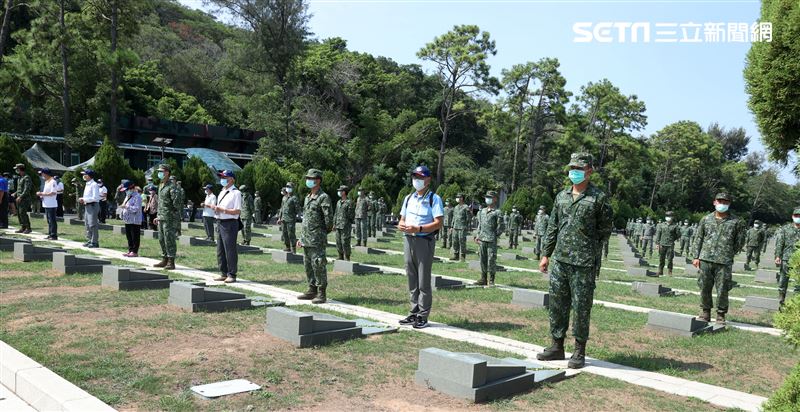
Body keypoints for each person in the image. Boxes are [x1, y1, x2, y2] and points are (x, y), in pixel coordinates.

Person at [537, 152, 612, 369]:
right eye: (572, 168)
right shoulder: (561, 196)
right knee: (558, 304)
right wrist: (545, 255)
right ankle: (556, 346)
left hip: (584, 263)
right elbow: (553, 227)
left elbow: (604, 230)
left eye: (579, 169)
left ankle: (579, 350)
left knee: (581, 307)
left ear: (589, 171)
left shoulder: (598, 198)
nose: (574, 172)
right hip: (560, 260)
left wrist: (590, 251)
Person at [397, 166, 444, 329]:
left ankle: (423, 315)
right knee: (411, 277)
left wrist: (420, 229)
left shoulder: (434, 198)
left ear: (428, 180)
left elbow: (439, 223)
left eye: (420, 177)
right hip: (408, 239)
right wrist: (401, 225)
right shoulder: (408, 198)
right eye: (414, 177)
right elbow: (402, 218)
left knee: (423, 279)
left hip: (424, 240)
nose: (416, 180)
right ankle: (413, 311)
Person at [691, 192, 746, 325]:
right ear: (714, 202)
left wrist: (728, 252)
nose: (722, 204)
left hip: (724, 261)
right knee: (704, 286)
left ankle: (721, 314)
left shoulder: (736, 222)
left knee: (723, 289)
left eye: (725, 202)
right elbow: (698, 238)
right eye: (720, 201)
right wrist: (696, 256)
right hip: (705, 259)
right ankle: (705, 312)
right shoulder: (706, 219)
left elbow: (740, 241)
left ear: (729, 204)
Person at [296, 169, 333, 303]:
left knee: (318, 265)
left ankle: (321, 293)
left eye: (310, 179)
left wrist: (321, 234)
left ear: (317, 180)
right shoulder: (307, 197)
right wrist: (301, 238)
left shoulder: (323, 197)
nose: (308, 181)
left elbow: (329, 220)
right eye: (307, 178)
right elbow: (305, 220)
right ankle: (312, 290)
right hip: (306, 239)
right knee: (308, 265)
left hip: (317, 239)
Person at [212, 170, 242, 283]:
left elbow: (237, 211)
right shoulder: (222, 192)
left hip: (230, 223)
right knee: (220, 250)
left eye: (225, 177)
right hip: (220, 221)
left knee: (230, 250)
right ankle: (223, 272)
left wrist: (222, 210)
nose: (222, 179)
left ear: (232, 179)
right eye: (222, 177)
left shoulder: (236, 193)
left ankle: (232, 274)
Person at [153, 164, 182, 270]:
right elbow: (160, 203)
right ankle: (164, 258)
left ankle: (171, 261)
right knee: (161, 238)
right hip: (161, 216)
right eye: (159, 171)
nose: (159, 173)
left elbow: (177, 203)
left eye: (161, 171)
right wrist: (158, 215)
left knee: (169, 238)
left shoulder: (172, 186)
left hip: (169, 217)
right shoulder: (161, 185)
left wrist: (171, 214)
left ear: (167, 173)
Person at [474, 191, 504, 285]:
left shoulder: (497, 212)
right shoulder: (482, 211)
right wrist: (477, 235)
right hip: (482, 239)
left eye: (490, 197)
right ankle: (483, 278)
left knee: (491, 260)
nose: (488, 199)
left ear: (495, 199)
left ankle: (491, 279)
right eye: (487, 197)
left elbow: (501, 226)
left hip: (491, 239)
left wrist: (495, 235)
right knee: (482, 259)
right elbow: (480, 225)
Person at [774, 207, 800, 306]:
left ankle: (796, 304)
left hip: (798, 261)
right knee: (783, 281)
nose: (798, 217)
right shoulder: (785, 229)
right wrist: (777, 256)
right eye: (796, 215)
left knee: (798, 283)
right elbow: (780, 243)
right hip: (786, 259)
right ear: (793, 216)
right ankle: (781, 301)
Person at [117, 181, 142, 257]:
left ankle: (134, 251)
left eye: (127, 189)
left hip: (135, 220)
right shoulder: (127, 196)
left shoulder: (137, 197)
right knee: (129, 236)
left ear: (131, 188)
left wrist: (126, 207)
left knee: (135, 236)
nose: (126, 191)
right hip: (128, 219)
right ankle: (130, 250)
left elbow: (136, 209)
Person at [78, 169, 101, 247]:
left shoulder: (94, 184)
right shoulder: (87, 184)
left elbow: (95, 197)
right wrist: (84, 200)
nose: (83, 176)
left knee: (93, 224)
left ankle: (95, 242)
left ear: (89, 175)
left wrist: (84, 199)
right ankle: (90, 239)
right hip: (87, 205)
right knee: (87, 223)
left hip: (93, 205)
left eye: (85, 174)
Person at [654, 211, 680, 276]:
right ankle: (660, 271)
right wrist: (657, 243)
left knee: (670, 259)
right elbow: (658, 234)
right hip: (662, 244)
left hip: (670, 244)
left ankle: (670, 271)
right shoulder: (661, 225)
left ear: (672, 217)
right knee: (661, 258)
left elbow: (678, 235)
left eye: (669, 216)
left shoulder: (675, 226)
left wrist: (672, 239)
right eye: (667, 216)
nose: (668, 218)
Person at [36, 168, 59, 240]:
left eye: (42, 173)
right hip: (46, 203)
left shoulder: (53, 182)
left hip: (51, 204)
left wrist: (42, 194)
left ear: (46, 174)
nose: (42, 175)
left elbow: (53, 192)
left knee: (52, 220)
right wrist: (42, 196)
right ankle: (50, 234)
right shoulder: (46, 182)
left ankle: (54, 235)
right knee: (49, 220)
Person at [334, 185, 355, 261]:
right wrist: (334, 224)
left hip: (345, 226)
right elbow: (336, 213)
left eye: (340, 191)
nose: (339, 192)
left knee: (345, 242)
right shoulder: (338, 202)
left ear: (344, 192)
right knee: (338, 242)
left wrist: (347, 222)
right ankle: (340, 256)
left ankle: (347, 257)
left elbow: (351, 215)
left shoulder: (349, 202)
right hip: (338, 225)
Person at [278, 182, 298, 253]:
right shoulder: (284, 197)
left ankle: (293, 248)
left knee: (291, 234)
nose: (288, 188)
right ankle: (287, 247)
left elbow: (297, 209)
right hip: (283, 219)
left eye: (289, 187)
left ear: (292, 188)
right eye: (287, 186)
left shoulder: (294, 198)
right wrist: (279, 218)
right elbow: (281, 208)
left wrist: (294, 216)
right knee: (284, 234)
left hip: (290, 220)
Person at [12, 164, 32, 234]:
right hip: (19, 198)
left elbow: (27, 189)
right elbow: (20, 189)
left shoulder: (27, 177)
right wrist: (15, 193)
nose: (16, 170)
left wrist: (21, 196)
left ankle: (28, 228)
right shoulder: (20, 178)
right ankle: (23, 227)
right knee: (19, 213)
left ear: (20, 169)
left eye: (17, 169)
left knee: (23, 213)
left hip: (24, 199)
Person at [451, 193, 470, 261]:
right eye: (457, 197)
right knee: (455, 241)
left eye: (459, 197)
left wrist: (466, 226)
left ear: (462, 198)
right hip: (455, 227)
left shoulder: (466, 207)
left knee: (462, 242)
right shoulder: (456, 207)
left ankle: (462, 256)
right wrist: (452, 226)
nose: (457, 198)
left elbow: (468, 218)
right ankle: (455, 255)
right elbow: (454, 217)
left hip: (462, 227)